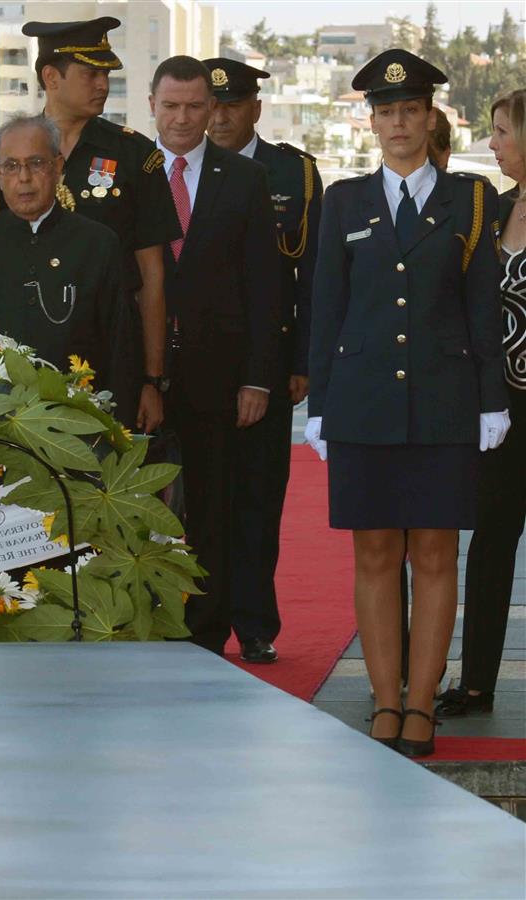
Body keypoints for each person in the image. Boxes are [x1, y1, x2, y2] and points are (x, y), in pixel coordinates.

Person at [305, 51, 508, 756]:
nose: (398, 123)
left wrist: (491, 401)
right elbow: (325, 310)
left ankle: (422, 703)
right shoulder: (343, 201)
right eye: (385, 112)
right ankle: (385, 701)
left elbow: (482, 308)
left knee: (436, 555)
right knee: (375, 553)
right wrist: (320, 405)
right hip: (363, 403)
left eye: (410, 110)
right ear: (372, 122)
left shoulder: (470, 200)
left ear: (430, 118)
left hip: (446, 403)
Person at [0, 17, 179, 434]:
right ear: (51, 77)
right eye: (91, 73)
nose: (103, 84)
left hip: (107, 357)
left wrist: (152, 379)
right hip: (15, 360)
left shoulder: (134, 155)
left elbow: (152, 275)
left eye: (107, 74)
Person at [150, 55, 282, 656]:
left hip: (219, 375)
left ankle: (206, 632)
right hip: (143, 375)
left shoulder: (244, 179)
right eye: (170, 105)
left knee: (212, 509)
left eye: (194, 106)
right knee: (137, 501)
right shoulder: (126, 171)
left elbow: (265, 286)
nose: (182, 118)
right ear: (152, 106)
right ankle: (143, 618)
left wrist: (258, 378)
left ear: (212, 110)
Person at [204, 57, 325, 665]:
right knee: (198, 499)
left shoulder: (292, 172)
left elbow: (311, 279)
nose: (219, 117)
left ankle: (254, 623)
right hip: (198, 359)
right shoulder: (174, 170)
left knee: (257, 497)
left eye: (232, 105)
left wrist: (302, 360)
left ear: (255, 107)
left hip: (269, 359)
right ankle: (199, 616)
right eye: (211, 105)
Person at [437, 88, 526, 719]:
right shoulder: (493, 209)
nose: (491, 143)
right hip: (502, 410)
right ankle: (476, 683)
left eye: (500, 131)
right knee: (491, 542)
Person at [0, 114, 123, 379]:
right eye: (11, 166)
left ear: (58, 167)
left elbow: (119, 348)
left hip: (80, 411)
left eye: (36, 164)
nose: (23, 177)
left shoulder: (98, 244)